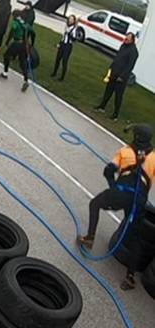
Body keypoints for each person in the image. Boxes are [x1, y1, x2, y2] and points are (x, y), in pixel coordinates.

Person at [78, 124, 155, 290]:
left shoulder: (125, 152)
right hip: (138, 202)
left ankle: (89, 238)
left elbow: (108, 171)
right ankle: (130, 277)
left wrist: (113, 187)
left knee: (95, 204)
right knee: (135, 238)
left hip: (119, 194)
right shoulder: (154, 158)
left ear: (136, 136)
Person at [95, 33, 138, 121]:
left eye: (128, 38)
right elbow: (117, 58)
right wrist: (111, 68)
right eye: (126, 37)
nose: (126, 39)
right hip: (114, 73)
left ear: (132, 40)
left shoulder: (133, 51)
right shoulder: (123, 46)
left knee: (118, 96)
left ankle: (115, 114)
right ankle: (102, 106)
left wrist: (122, 76)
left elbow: (130, 66)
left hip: (121, 77)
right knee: (108, 91)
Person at [0, 10, 31, 92]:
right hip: (24, 45)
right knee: (22, 62)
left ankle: (5, 73)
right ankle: (26, 80)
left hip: (17, 43)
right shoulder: (24, 23)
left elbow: (12, 31)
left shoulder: (15, 22)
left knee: (6, 56)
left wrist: (7, 42)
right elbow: (31, 32)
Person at [51, 15, 79, 81]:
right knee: (57, 59)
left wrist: (70, 35)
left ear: (74, 21)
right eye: (69, 19)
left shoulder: (74, 29)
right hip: (63, 44)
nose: (70, 20)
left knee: (64, 61)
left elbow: (74, 40)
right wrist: (59, 43)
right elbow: (63, 36)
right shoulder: (66, 26)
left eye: (72, 19)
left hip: (68, 46)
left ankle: (62, 77)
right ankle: (54, 73)